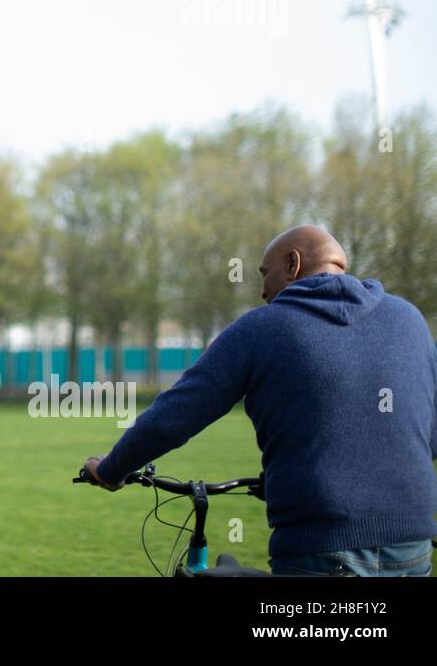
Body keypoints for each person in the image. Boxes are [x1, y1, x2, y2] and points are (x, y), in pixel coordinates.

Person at [83, 225, 437, 576]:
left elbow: (177, 413)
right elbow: (428, 435)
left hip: (321, 546)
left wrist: (113, 469)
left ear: (292, 264)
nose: (262, 291)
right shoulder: (408, 319)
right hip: (414, 542)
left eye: (265, 274)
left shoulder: (263, 327)